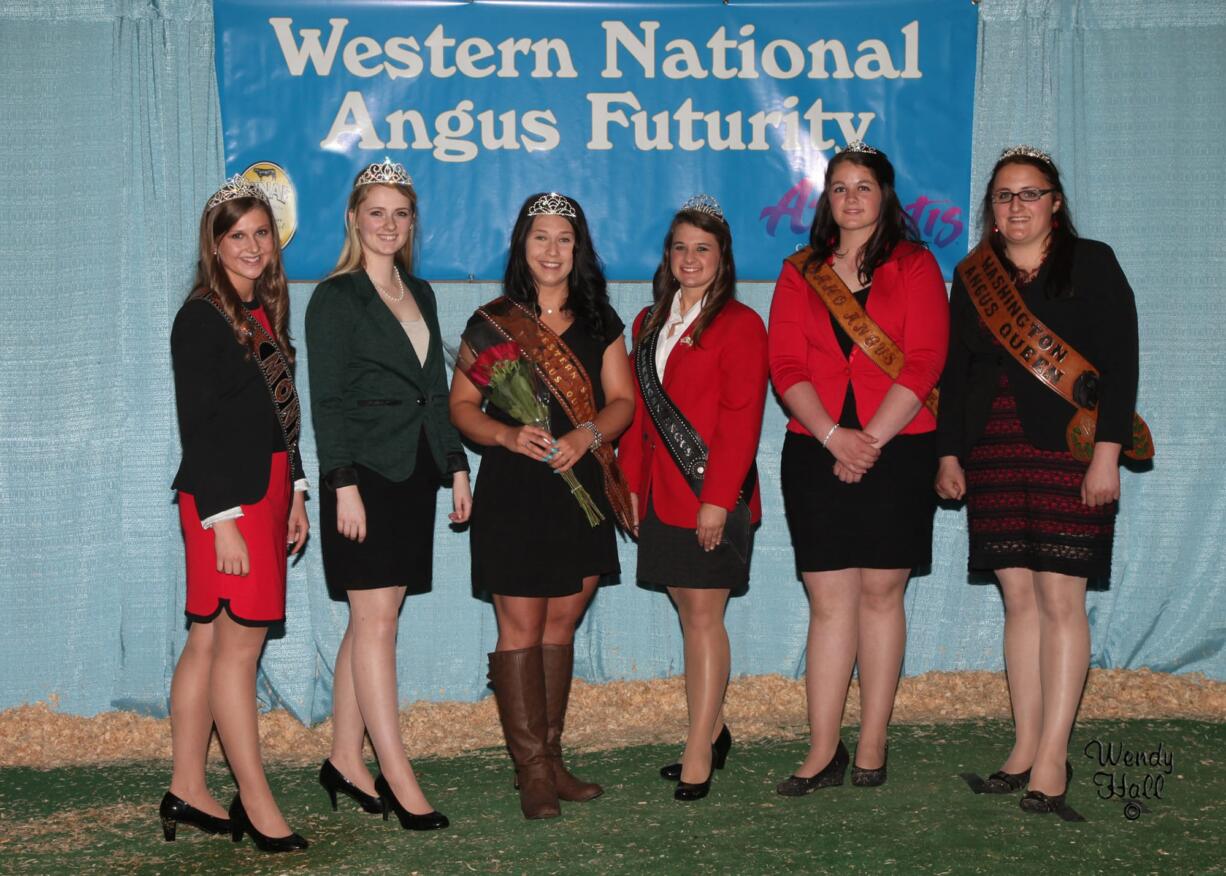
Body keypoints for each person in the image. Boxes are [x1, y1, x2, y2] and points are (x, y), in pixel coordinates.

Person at [935, 146, 1141, 815]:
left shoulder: (1094, 263)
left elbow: (1121, 362)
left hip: (1070, 453)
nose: (1016, 206)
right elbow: (957, 372)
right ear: (990, 210)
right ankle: (1023, 746)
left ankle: (1054, 755)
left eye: (1030, 194)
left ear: (1055, 202)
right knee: (1018, 599)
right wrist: (949, 453)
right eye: (1004, 196)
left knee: (1061, 601)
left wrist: (1108, 451)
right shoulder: (974, 277)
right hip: (993, 449)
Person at [767, 142, 949, 795]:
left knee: (881, 594)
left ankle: (872, 742)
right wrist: (833, 435)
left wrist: (866, 439)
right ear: (827, 199)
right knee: (828, 602)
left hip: (898, 445)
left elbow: (925, 360)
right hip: (815, 447)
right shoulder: (800, 272)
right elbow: (785, 366)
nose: (851, 197)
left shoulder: (917, 266)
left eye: (863, 186)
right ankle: (822, 749)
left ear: (884, 196)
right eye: (839, 187)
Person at [449, 192, 635, 819]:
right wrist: (505, 434)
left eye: (564, 239)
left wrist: (589, 433)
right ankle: (529, 770)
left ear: (577, 249)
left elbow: (622, 401)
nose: (552, 250)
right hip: (514, 491)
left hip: (579, 490)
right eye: (540, 238)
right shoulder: (492, 321)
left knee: (563, 622)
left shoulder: (601, 319)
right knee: (521, 626)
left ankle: (553, 760)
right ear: (522, 248)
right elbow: (461, 408)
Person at [305, 157, 470, 831]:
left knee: (375, 620)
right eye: (376, 212)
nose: (389, 224)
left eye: (400, 214)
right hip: (364, 474)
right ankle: (397, 774)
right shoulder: (334, 298)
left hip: (415, 473)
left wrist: (457, 466)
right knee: (375, 623)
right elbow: (327, 403)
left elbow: (435, 386)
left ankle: (346, 757)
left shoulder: (421, 293)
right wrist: (342, 484)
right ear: (353, 218)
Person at [163, 176, 309, 852]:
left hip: (266, 490)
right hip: (228, 499)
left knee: (208, 640)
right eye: (237, 236)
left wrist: (298, 493)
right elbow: (201, 424)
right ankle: (254, 800)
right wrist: (222, 518)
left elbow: (280, 421)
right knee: (238, 647)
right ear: (216, 246)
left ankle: (188, 787)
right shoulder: (202, 316)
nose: (251, 246)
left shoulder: (261, 315)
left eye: (260, 234)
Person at [617, 195, 768, 801]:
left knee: (704, 618)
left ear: (722, 258)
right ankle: (717, 725)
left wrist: (717, 497)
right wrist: (627, 483)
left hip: (710, 495)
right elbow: (635, 416)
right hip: (659, 495)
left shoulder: (741, 324)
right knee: (688, 613)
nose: (689, 258)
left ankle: (699, 747)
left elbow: (741, 419)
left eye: (702, 248)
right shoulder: (646, 321)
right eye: (680, 247)